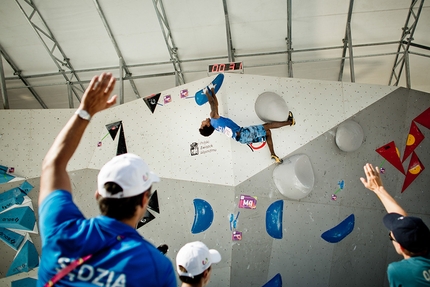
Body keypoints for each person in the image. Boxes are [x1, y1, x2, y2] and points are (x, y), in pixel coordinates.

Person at [38, 72, 176, 287]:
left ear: (98, 195)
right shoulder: (157, 267)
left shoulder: (62, 231)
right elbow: (53, 165)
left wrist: (85, 112)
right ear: (144, 201)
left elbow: (52, 164)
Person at [360, 163, 430, 287]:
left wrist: (378, 189)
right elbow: (404, 222)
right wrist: (378, 188)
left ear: (401, 248)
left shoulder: (398, 271)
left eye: (391, 237)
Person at [199, 86, 295, 164]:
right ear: (207, 126)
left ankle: (273, 154)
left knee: (267, 133)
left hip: (242, 139)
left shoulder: (216, 125)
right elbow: (212, 103)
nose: (202, 121)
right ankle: (290, 122)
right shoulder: (213, 118)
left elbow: (215, 105)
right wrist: (206, 92)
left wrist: (212, 90)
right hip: (243, 133)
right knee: (267, 126)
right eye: (202, 124)